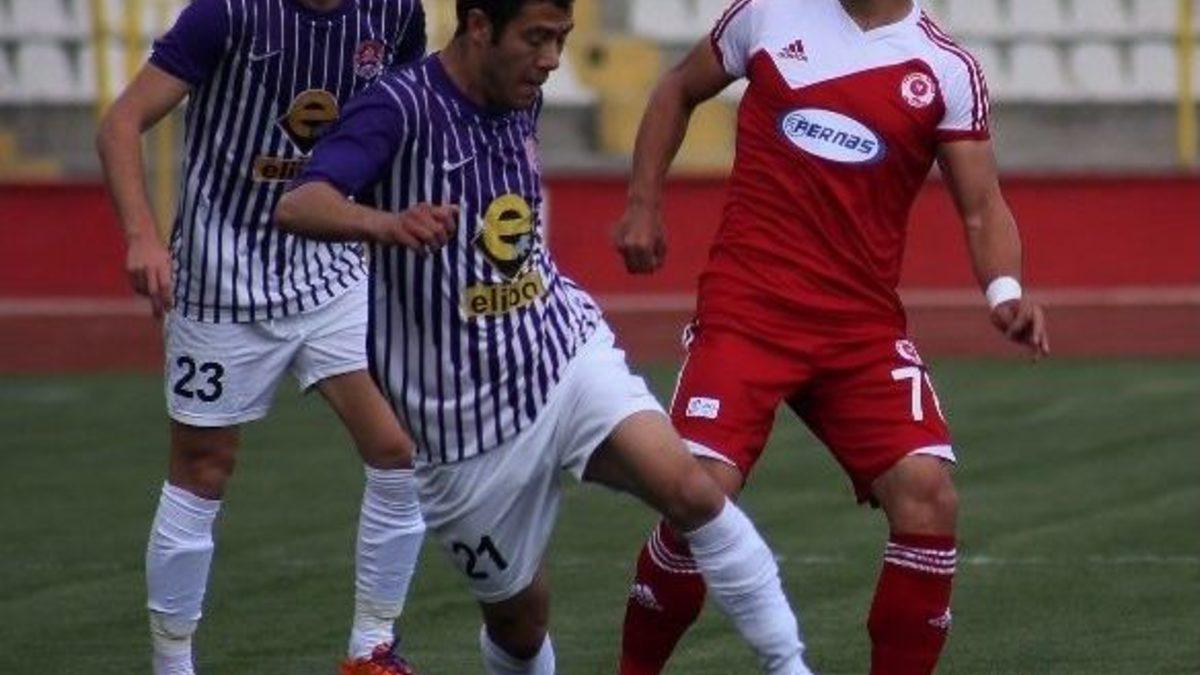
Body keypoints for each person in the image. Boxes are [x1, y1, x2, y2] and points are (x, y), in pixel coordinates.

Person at [274, 1, 817, 672]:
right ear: (478, 26)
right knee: (520, 626)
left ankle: (789, 664)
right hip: (461, 428)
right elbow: (300, 203)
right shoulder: (398, 108)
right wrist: (386, 225)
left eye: (561, 39)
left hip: (560, 352)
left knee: (693, 491)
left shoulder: (519, 92)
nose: (551, 60)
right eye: (535, 39)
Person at [611, 0, 1051, 674]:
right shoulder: (767, 14)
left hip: (859, 327)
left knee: (928, 495)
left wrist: (1006, 292)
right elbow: (677, 87)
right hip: (748, 310)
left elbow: (982, 204)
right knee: (699, 493)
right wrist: (643, 203)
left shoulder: (945, 67)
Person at [95, 1, 430, 673]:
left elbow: (405, 116)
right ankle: (172, 663)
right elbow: (121, 122)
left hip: (330, 266)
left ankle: (370, 649)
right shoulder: (225, 13)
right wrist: (142, 235)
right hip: (220, 279)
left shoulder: (395, 11)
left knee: (398, 447)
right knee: (203, 467)